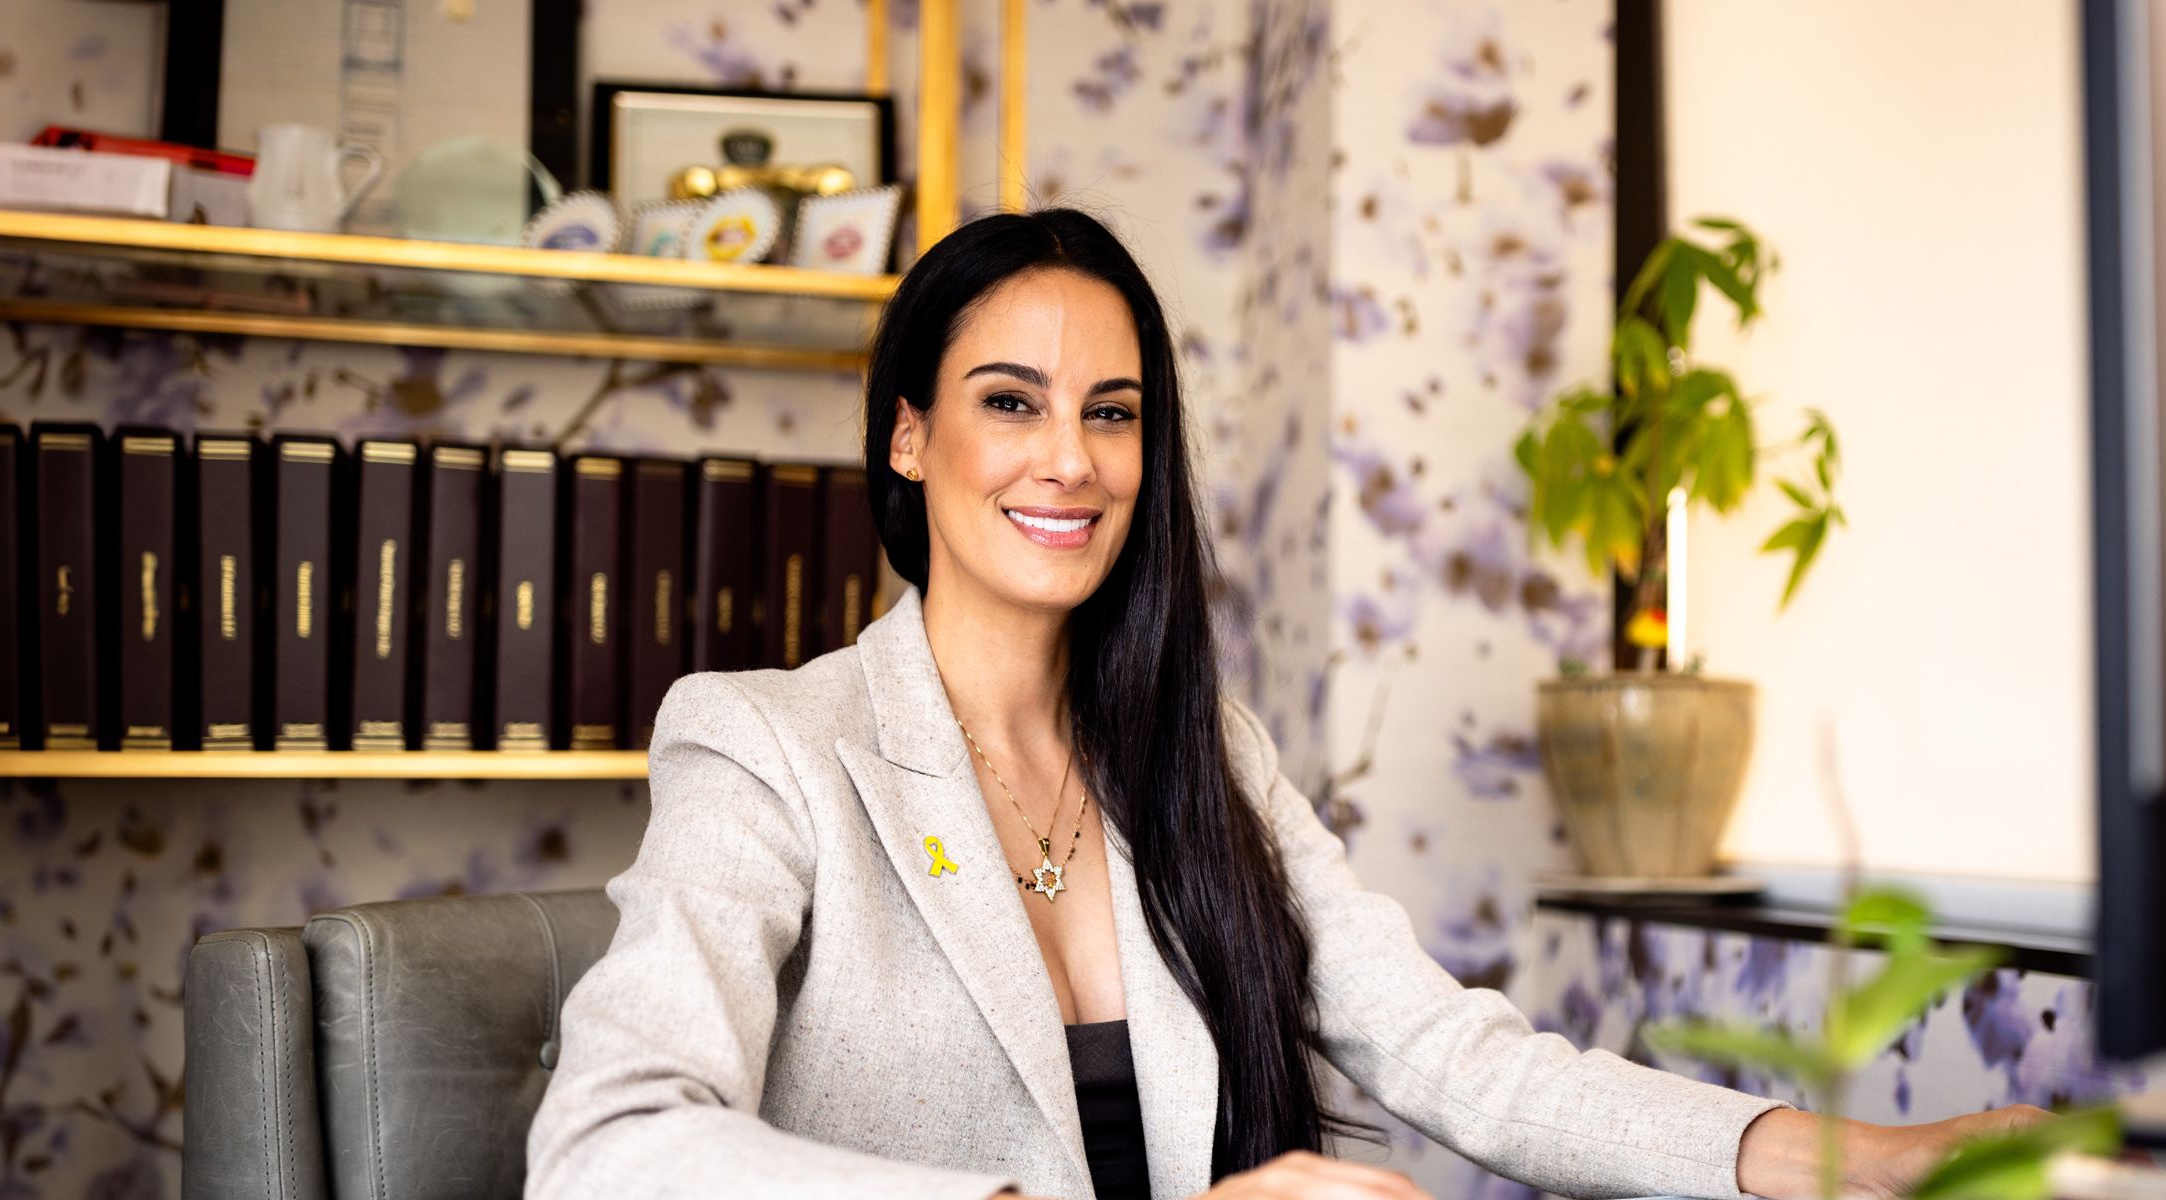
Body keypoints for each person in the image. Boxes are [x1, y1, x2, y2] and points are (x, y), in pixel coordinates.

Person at [524, 208, 2043, 1200]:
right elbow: (609, 1146)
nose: (1071, 459)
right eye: (1010, 402)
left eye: (1111, 415)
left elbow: (1456, 1057)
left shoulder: (1200, 756)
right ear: (909, 440)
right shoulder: (763, 743)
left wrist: (1851, 1160)